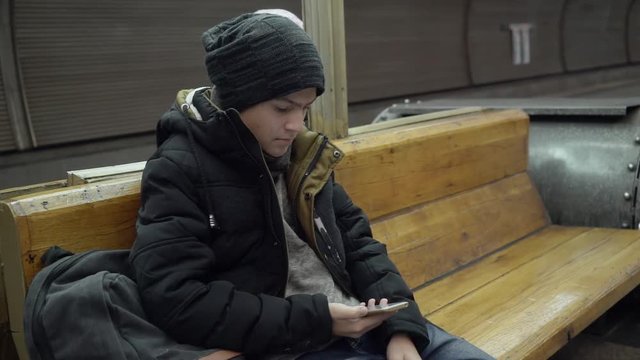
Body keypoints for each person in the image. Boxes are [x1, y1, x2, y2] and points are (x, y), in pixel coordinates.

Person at [130, 11, 495, 360]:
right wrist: (319, 320)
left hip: (370, 325)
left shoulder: (303, 156)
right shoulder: (180, 168)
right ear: (238, 100)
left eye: (305, 109)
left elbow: (359, 245)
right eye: (282, 108)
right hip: (299, 345)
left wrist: (400, 327)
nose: (295, 124)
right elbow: (177, 298)